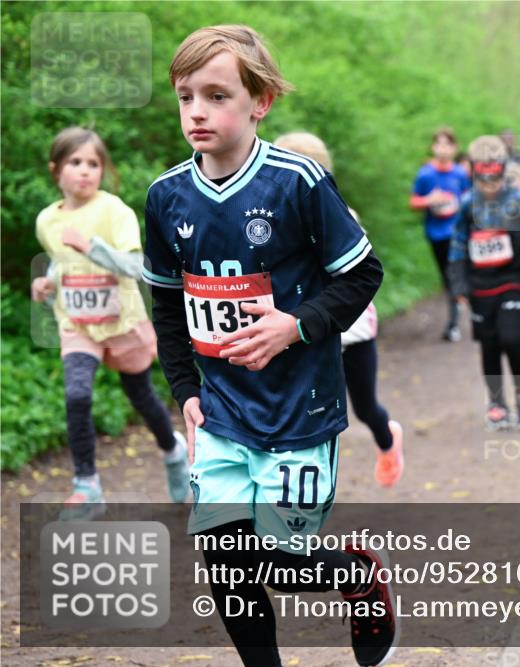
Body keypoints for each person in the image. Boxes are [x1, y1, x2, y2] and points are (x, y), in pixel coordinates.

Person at [142, 25, 396, 666]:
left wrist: (294, 325)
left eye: (216, 96)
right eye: (185, 97)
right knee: (227, 564)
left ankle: (357, 578)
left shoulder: (298, 182)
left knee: (281, 560)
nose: (197, 112)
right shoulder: (165, 197)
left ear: (260, 102)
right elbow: (168, 304)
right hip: (222, 410)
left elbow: (363, 275)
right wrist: (186, 389)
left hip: (298, 409)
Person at [31, 126, 188, 520]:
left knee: (141, 397)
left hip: (122, 323)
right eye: (75, 162)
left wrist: (92, 247)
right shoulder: (47, 220)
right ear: (56, 170)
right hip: (78, 324)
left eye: (94, 163)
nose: (85, 171)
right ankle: (87, 486)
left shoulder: (114, 211)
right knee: (77, 394)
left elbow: (136, 266)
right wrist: (47, 282)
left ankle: (173, 451)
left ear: (103, 170)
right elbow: (60, 260)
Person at [273, 132, 404, 488]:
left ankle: (388, 441)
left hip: (351, 331)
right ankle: (299, 484)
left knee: (364, 407)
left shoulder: (341, 216)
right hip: (302, 332)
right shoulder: (269, 220)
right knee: (303, 409)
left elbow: (358, 276)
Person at [447, 135, 520, 430]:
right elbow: (458, 245)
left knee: (511, 337)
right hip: (480, 285)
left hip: (513, 279)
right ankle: (497, 402)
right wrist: (458, 285)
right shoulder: (467, 204)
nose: (490, 186)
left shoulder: (519, 201)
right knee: (489, 344)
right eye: (483, 180)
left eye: (495, 179)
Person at [409, 127, 470, 342]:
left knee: (456, 274)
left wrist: (458, 205)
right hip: (436, 234)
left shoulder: (460, 174)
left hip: (458, 234)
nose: (443, 149)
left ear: (455, 148)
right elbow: (413, 201)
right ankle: (458, 307)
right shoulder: (425, 174)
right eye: (439, 144)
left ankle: (453, 323)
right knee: (447, 277)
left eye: (447, 144)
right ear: (433, 147)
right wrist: (429, 200)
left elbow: (469, 198)